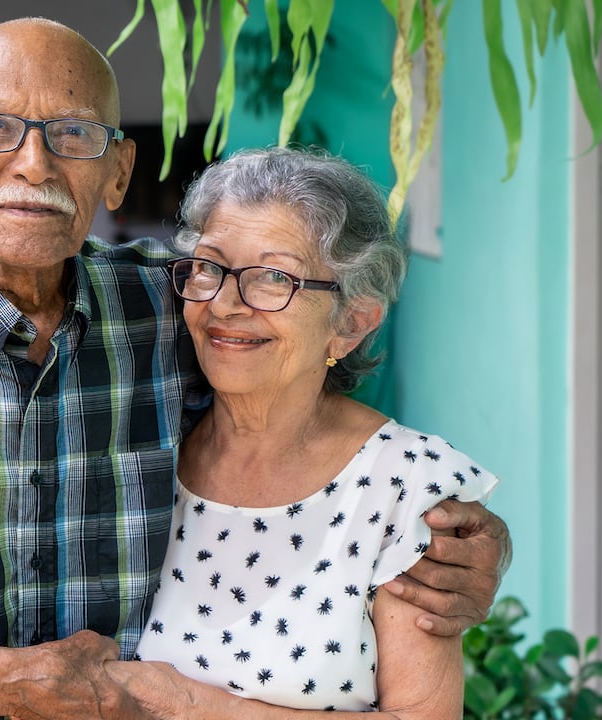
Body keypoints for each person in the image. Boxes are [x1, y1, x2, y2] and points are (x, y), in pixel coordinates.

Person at [0, 18, 511, 720]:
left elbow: (308, 425)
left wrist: (466, 546)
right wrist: (1, 684)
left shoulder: (179, 308)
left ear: (118, 170)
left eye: (74, 136)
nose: (35, 166)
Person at [104, 147, 497, 718]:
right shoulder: (146, 447)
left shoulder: (402, 488)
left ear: (352, 324)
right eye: (210, 266)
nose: (226, 304)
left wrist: (195, 707)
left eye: (274, 278)